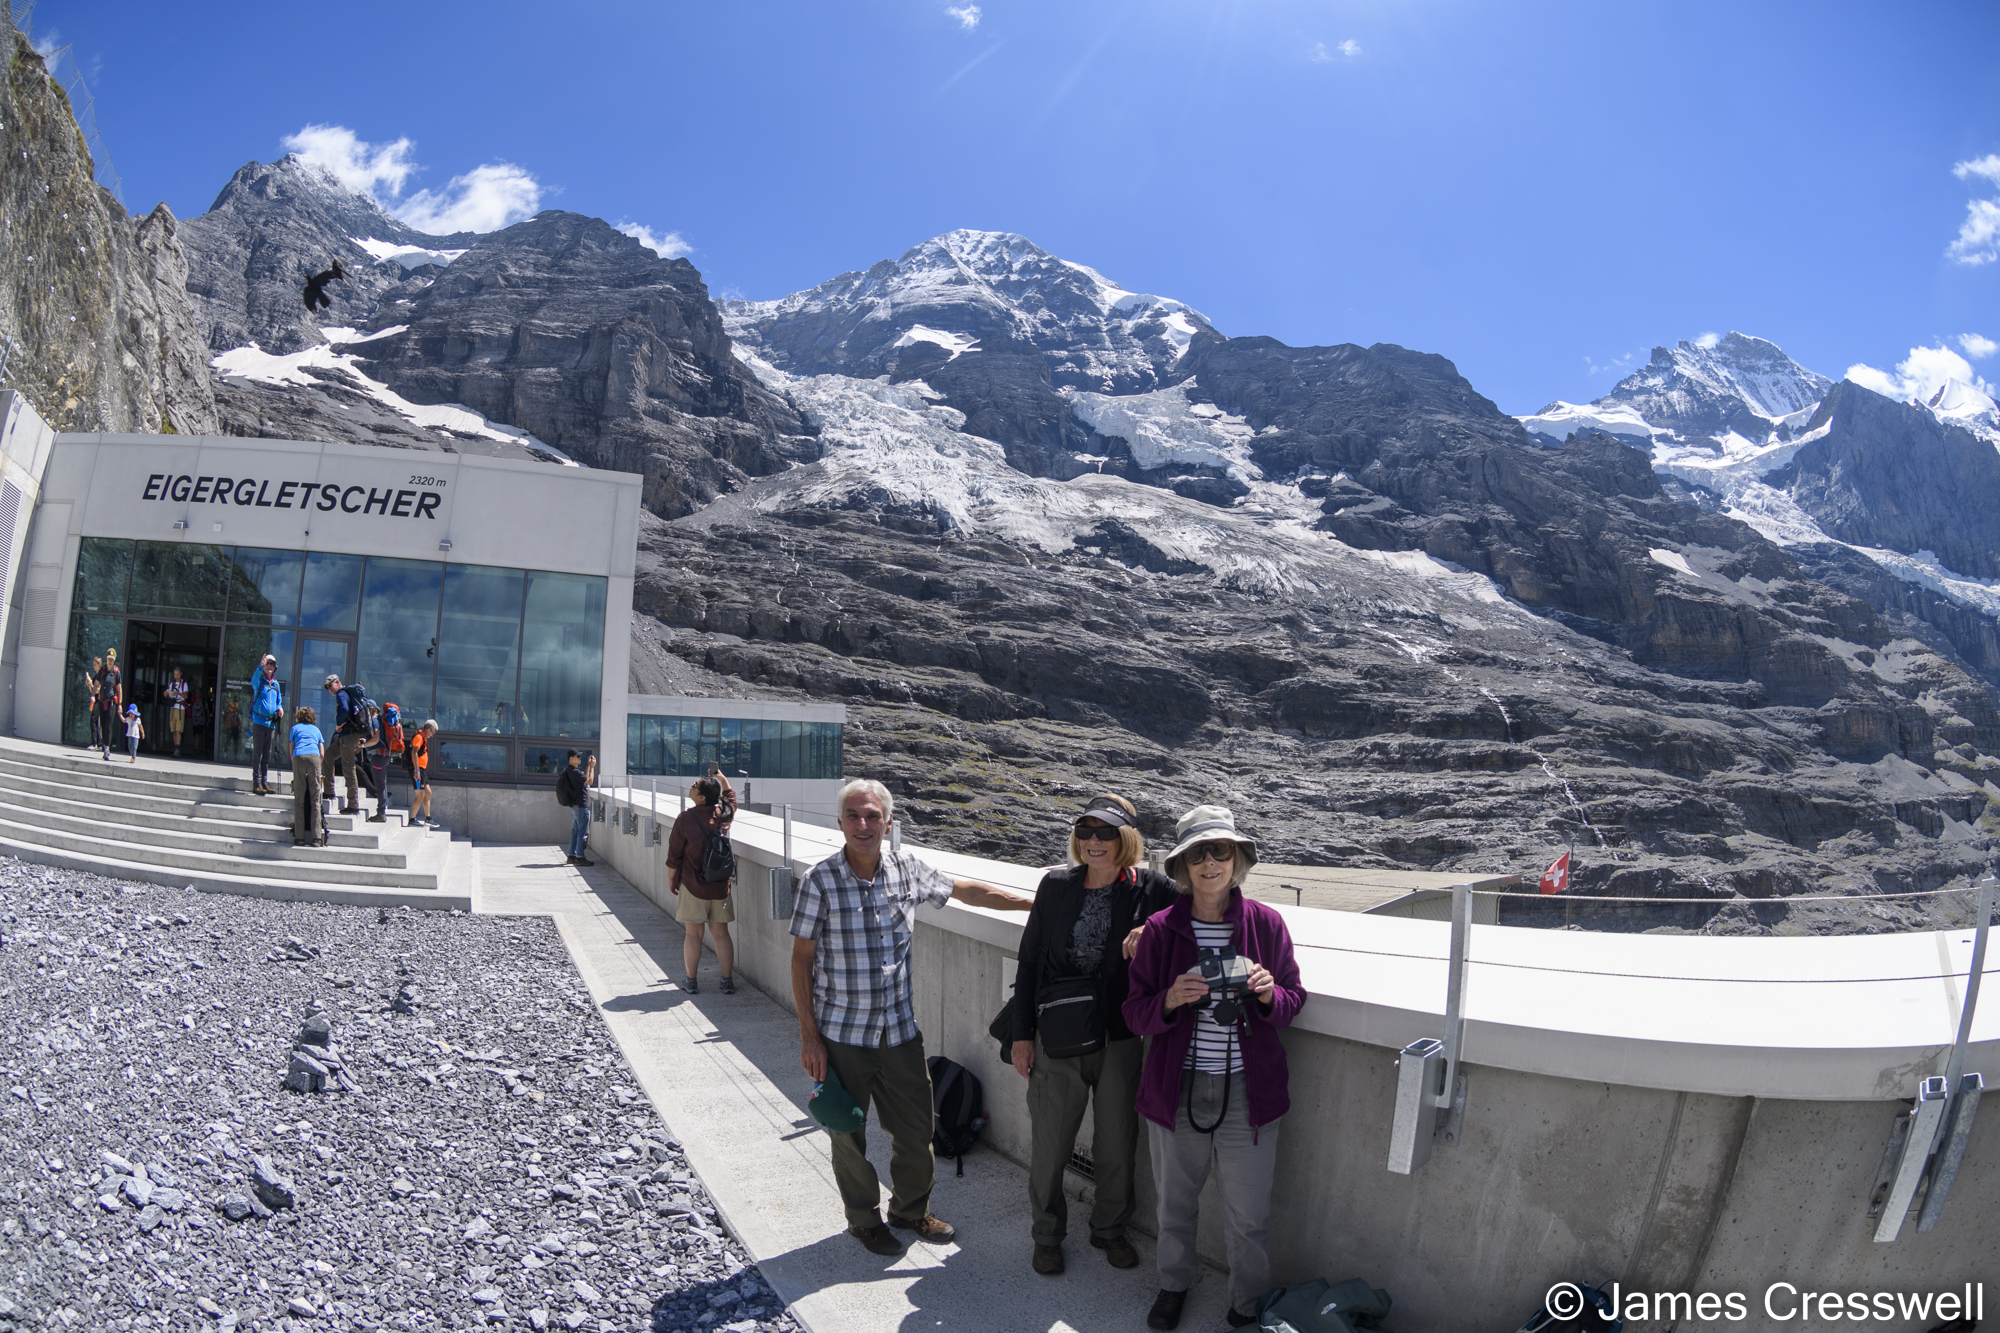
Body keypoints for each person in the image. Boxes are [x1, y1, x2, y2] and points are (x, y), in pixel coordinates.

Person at [789, 778, 1034, 1256]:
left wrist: (1036, 901)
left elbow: (968, 890)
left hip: (900, 1032)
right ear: (840, 823)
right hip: (842, 1035)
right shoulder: (820, 881)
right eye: (854, 816)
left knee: (918, 1129)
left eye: (873, 816)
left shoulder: (907, 871)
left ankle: (909, 1209)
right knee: (847, 1131)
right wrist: (809, 1037)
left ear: (888, 822)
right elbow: (800, 959)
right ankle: (863, 1219)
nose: (864, 825)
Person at [1123, 805, 1306, 1331]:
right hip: (1175, 1089)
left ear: (1236, 859)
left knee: (1249, 1216)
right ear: (1183, 865)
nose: (1210, 863)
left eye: (1220, 850)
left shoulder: (1266, 925)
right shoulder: (1160, 931)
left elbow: (1295, 1001)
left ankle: (1247, 1302)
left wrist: (1271, 996)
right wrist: (1169, 1001)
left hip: (1248, 1093)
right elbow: (1134, 1013)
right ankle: (1173, 1286)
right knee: (1174, 1207)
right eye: (1198, 853)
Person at [1010, 794, 1177, 1277]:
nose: (1094, 841)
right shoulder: (1057, 885)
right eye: (1086, 831)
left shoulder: (1154, 889)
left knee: (1117, 1142)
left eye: (1106, 832)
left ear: (1126, 837)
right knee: (1051, 1143)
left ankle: (1110, 1229)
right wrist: (1023, 1034)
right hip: (1059, 1034)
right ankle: (1046, 1235)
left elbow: (1202, 915)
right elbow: (1030, 960)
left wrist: (1154, 928)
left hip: (1122, 1035)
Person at [668, 766, 738, 995]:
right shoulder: (722, 815)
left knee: (693, 934)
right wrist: (723, 779)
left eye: (695, 785)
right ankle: (727, 980)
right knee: (721, 934)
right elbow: (731, 801)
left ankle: (691, 980)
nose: (692, 786)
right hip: (720, 885)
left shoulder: (686, 819)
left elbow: (674, 856)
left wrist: (672, 881)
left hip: (692, 884)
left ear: (700, 797)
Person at [324, 674, 366, 815]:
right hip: (346, 736)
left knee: (348, 768)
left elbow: (344, 709)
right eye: (327, 687)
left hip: (349, 737)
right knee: (328, 757)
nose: (329, 689)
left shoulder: (342, 693)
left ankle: (353, 805)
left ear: (337, 682)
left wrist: (338, 724)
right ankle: (329, 792)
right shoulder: (346, 693)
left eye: (330, 686)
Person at [289, 705, 325, 846]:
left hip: (299, 757)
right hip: (314, 758)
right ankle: (316, 838)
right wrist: (317, 763)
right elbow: (322, 752)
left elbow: (292, 748)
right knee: (315, 799)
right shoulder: (316, 730)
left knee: (299, 799)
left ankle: (299, 838)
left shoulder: (295, 728)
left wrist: (296, 761)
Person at [249, 655, 285, 795]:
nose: (269, 665)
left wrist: (280, 708)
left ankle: (264, 782)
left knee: (267, 755)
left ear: (275, 667)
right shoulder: (259, 681)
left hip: (270, 724)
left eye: (272, 663)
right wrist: (259, 666)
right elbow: (253, 682)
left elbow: (278, 701)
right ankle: (256, 783)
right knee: (257, 753)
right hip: (259, 722)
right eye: (267, 663)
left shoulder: (276, 684)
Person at [556, 749, 596, 866]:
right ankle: (580, 857)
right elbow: (589, 781)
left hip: (575, 807)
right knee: (582, 833)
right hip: (581, 807)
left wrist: (588, 765)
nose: (579, 758)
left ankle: (571, 856)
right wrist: (593, 767)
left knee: (575, 831)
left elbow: (583, 779)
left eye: (580, 757)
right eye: (577, 757)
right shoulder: (573, 772)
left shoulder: (569, 771)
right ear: (571, 759)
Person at [355, 703, 389, 823]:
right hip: (383, 755)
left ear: (371, 709)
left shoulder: (374, 721)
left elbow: (375, 739)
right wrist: (366, 741)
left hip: (378, 756)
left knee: (379, 786)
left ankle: (381, 813)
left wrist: (363, 745)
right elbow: (377, 739)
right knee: (382, 784)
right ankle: (382, 810)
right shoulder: (379, 719)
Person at [406, 720, 437, 828]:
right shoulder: (419, 736)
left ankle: (428, 818)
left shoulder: (423, 736)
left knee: (428, 793)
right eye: (433, 732)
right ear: (429, 729)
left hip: (421, 770)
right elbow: (414, 752)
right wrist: (417, 770)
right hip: (417, 770)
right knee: (420, 795)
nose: (432, 735)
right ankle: (412, 819)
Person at [95, 650, 122, 761]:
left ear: (114, 660)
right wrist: (94, 693)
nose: (110, 661)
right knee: (102, 724)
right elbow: (96, 683)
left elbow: (119, 689)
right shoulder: (102, 670)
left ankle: (107, 748)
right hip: (102, 700)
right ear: (106, 659)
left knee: (108, 725)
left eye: (112, 659)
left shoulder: (116, 672)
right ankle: (104, 744)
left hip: (111, 701)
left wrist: (119, 704)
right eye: (108, 659)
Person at [164, 667, 188, 757]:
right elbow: (166, 694)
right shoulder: (172, 684)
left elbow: (186, 696)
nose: (176, 676)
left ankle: (178, 749)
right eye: (174, 674)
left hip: (180, 708)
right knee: (174, 730)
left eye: (177, 674)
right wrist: (166, 693)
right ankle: (175, 749)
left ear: (181, 673)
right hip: (173, 707)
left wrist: (178, 694)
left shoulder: (184, 684)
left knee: (178, 730)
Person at [84, 655, 102, 751]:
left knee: (93, 720)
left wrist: (93, 686)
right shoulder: (95, 676)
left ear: (99, 664)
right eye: (93, 664)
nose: (93, 666)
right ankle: (99, 744)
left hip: (99, 700)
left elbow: (99, 690)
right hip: (95, 700)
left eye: (95, 664)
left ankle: (94, 743)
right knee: (95, 722)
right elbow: (92, 691)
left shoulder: (101, 676)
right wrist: (89, 684)